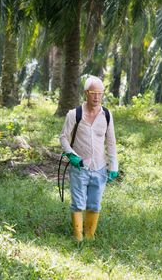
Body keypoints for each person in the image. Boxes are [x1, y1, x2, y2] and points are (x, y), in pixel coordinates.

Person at [59, 75, 118, 241]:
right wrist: (71, 155)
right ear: (86, 93)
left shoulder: (106, 115)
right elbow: (63, 137)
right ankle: (78, 238)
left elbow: (111, 142)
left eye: (100, 93)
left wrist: (113, 166)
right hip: (80, 167)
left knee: (94, 204)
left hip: (99, 168)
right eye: (93, 93)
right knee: (78, 203)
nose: (97, 97)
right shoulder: (74, 114)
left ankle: (90, 238)